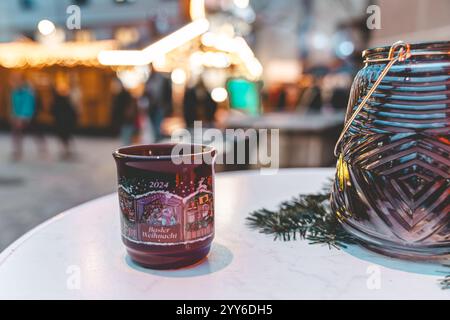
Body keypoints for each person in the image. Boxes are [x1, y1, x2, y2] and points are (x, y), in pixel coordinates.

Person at [10, 73, 37, 161]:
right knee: (17, 133)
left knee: (32, 131)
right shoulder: (15, 91)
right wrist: (13, 115)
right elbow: (14, 105)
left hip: (25, 116)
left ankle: (42, 147)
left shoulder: (27, 91)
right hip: (17, 115)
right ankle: (17, 151)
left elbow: (28, 104)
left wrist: (23, 117)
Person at [51, 83, 77, 159]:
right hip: (65, 122)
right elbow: (72, 112)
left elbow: (53, 110)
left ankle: (66, 151)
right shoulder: (66, 100)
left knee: (63, 137)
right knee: (66, 137)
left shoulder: (58, 100)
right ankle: (66, 150)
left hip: (61, 122)